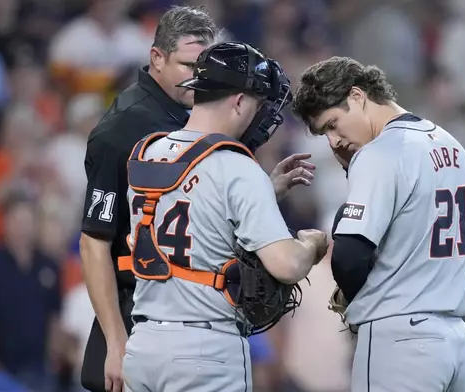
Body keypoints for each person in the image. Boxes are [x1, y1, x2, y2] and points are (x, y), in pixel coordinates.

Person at [117, 41, 328, 392]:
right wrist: (311, 243)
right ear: (240, 100)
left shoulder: (149, 151)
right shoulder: (237, 167)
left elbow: (190, 206)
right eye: (258, 104)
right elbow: (287, 265)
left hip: (143, 347)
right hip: (204, 350)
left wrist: (264, 191)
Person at [292, 56, 465, 392]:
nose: (333, 141)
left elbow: (348, 255)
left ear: (357, 97)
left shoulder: (380, 153)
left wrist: (352, 293)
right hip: (456, 341)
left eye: (332, 124)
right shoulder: (452, 145)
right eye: (323, 133)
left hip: (401, 339)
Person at [79, 6, 218, 392]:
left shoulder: (191, 117)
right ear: (157, 58)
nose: (198, 80)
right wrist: (114, 339)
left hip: (185, 307)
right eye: (188, 66)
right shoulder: (121, 129)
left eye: (204, 69)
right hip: (136, 308)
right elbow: (94, 242)